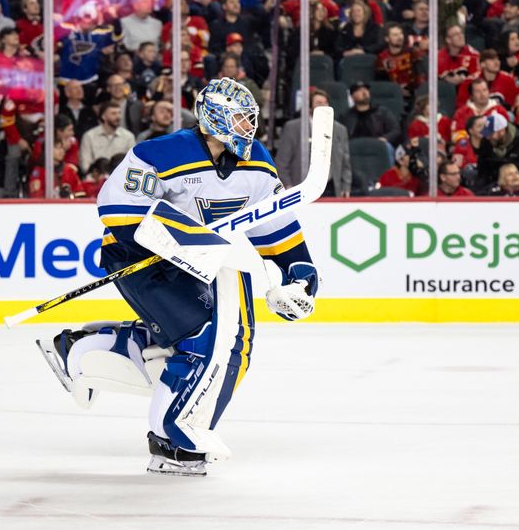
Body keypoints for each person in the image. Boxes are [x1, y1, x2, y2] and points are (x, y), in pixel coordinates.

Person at [38, 77, 318, 476]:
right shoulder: (161, 154)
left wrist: (298, 269)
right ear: (214, 118)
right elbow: (118, 209)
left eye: (249, 119)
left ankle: (84, 346)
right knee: (205, 338)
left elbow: (273, 224)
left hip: (207, 265)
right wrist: (178, 246)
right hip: (141, 258)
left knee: (229, 343)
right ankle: (170, 442)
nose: (247, 128)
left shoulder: (256, 160)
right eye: (239, 119)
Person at [276, 89, 351, 197]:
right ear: (309, 106)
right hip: (303, 186)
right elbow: (282, 162)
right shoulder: (293, 127)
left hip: (331, 186)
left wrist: (346, 186)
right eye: (319, 103)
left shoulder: (340, 129)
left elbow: (345, 162)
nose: (323, 106)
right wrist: (288, 185)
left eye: (325, 103)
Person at [476, 112, 519, 192]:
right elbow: (482, 171)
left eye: (491, 134)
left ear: (502, 131)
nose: (487, 137)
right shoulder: (486, 142)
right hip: (495, 184)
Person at [79, 101, 137, 173]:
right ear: (103, 116)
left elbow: (133, 163)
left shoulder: (129, 136)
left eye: (119, 113)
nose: (118, 117)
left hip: (120, 177)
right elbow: (85, 165)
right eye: (113, 113)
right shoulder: (89, 136)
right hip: (96, 178)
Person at [342, 81, 402, 147]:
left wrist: (385, 138)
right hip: (354, 148)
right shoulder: (346, 116)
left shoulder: (382, 112)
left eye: (366, 89)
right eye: (359, 90)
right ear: (352, 96)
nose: (364, 92)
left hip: (378, 146)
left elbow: (395, 130)